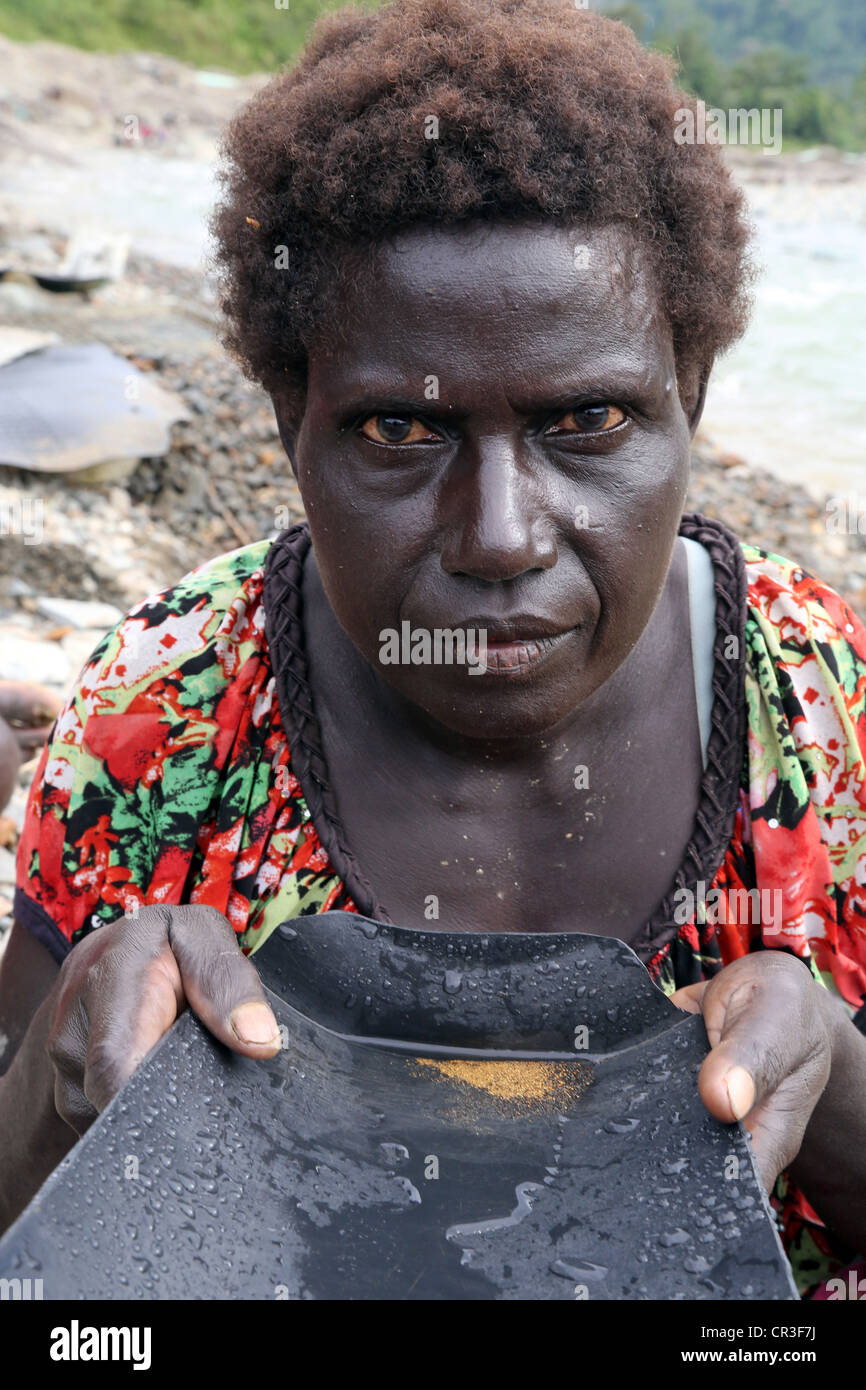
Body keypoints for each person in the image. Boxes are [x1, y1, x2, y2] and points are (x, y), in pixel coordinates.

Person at [1, 0, 864, 1299]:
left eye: (585, 418)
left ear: (689, 402)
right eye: (400, 432)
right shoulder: (162, 703)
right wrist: (60, 1074)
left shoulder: (826, 702)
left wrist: (836, 1073)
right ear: (290, 420)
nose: (501, 537)